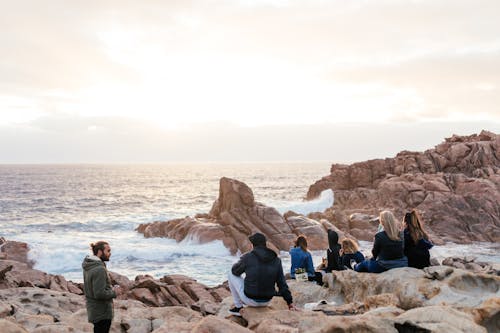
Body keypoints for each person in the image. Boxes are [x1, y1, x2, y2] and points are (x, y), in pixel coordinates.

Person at [228, 232, 297, 316]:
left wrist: (242, 259)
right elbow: (282, 283)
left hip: (250, 299)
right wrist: (289, 302)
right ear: (265, 244)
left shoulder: (248, 257)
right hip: (267, 300)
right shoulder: (276, 259)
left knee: (230, 274)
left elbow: (234, 271)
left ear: (252, 245)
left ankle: (238, 307)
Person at [82, 241, 121, 333]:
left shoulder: (89, 265)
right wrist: (115, 292)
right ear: (100, 251)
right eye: (108, 251)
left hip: (94, 310)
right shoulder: (99, 269)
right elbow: (99, 293)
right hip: (102, 312)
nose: (110, 253)